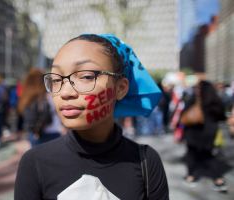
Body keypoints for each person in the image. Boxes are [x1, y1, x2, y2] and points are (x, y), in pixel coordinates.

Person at [14, 34, 169, 200]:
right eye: (56, 79)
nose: (65, 92)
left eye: (86, 76)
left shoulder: (145, 161)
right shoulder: (35, 163)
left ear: (121, 88)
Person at [181, 80, 228, 192]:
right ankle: (218, 179)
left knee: (192, 154)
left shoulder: (193, 100)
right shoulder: (215, 101)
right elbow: (222, 116)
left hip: (193, 133)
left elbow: (184, 115)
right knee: (209, 155)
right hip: (209, 134)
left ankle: (191, 176)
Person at [17, 68, 61, 147]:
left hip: (35, 133)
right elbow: (47, 113)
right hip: (50, 132)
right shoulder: (47, 96)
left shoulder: (26, 97)